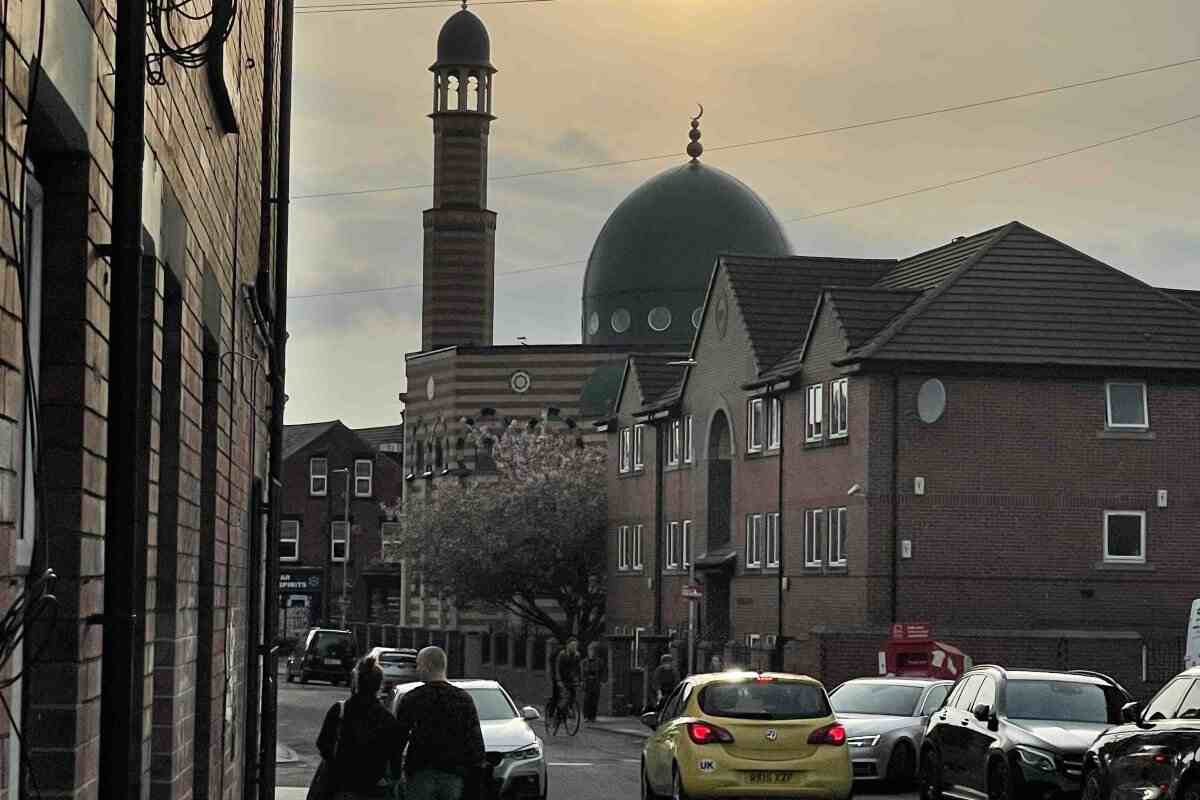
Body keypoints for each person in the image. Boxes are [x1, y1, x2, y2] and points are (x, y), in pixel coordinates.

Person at [393, 646, 486, 800]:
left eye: (419, 665)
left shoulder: (412, 698)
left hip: (420, 774)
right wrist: (475, 776)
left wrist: (396, 771)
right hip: (453, 775)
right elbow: (474, 741)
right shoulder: (463, 699)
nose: (417, 669)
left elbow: (399, 738)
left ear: (428, 665)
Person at [315, 655, 401, 799]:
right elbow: (394, 760)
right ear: (380, 686)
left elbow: (323, 744)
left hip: (339, 788)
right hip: (372, 791)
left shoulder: (339, 710)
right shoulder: (388, 719)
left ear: (355, 682)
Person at [554, 638, 582, 718]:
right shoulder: (562, 654)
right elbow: (557, 668)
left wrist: (580, 680)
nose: (574, 647)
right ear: (568, 645)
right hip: (562, 679)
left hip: (571, 679)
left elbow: (578, 668)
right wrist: (558, 680)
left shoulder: (577, 655)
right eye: (572, 645)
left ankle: (568, 710)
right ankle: (558, 714)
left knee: (573, 696)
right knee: (565, 697)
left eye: (576, 646)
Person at [580, 642, 605, 723]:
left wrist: (601, 681)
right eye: (590, 650)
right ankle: (586, 716)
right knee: (587, 700)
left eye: (593, 650)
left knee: (594, 700)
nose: (592, 652)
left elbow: (602, 672)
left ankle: (593, 717)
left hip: (596, 683)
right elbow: (581, 673)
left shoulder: (600, 662)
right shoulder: (584, 662)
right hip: (587, 683)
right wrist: (582, 681)